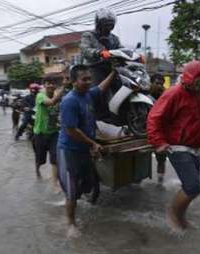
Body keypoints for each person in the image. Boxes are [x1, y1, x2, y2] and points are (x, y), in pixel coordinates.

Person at [147, 60, 200, 232]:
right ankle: (173, 213)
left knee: (191, 188)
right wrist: (158, 142)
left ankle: (181, 216)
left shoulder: (198, 95)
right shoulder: (174, 93)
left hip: (195, 148)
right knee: (193, 187)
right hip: (178, 147)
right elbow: (154, 118)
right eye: (199, 76)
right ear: (189, 75)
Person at [57, 64, 115, 237]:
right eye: (84, 79)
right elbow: (71, 130)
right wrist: (93, 144)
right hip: (69, 151)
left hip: (84, 150)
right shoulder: (70, 101)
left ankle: (69, 195)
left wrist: (114, 72)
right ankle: (70, 223)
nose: (88, 82)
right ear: (74, 81)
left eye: (90, 78)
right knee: (73, 192)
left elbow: (101, 87)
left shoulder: (88, 94)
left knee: (88, 184)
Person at [80, 9, 122, 120]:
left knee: (122, 85)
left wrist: (136, 54)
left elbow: (121, 49)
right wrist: (99, 52)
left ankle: (123, 112)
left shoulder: (114, 38)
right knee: (99, 91)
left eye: (110, 25)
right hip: (94, 67)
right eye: (106, 25)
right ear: (99, 24)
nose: (108, 27)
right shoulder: (88, 35)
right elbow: (85, 50)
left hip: (112, 68)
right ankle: (98, 116)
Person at [32, 78, 64, 188]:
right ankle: (37, 170)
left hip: (54, 133)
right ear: (44, 85)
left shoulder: (58, 97)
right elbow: (51, 102)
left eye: (53, 83)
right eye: (48, 83)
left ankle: (54, 183)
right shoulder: (40, 95)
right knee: (40, 160)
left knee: (55, 159)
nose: (51, 85)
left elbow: (58, 113)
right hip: (40, 133)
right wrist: (63, 88)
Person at [149, 73, 167, 183]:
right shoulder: (144, 91)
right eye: (157, 83)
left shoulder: (165, 95)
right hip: (145, 130)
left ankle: (160, 180)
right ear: (151, 83)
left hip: (160, 131)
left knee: (161, 158)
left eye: (161, 84)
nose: (159, 86)